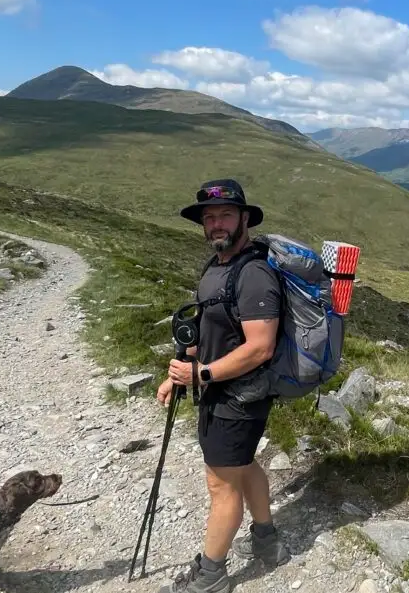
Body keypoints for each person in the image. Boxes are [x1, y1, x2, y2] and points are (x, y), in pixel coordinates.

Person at [157, 178, 291, 593]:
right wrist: (178, 372)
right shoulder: (216, 268)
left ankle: (211, 575)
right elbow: (207, 331)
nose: (216, 224)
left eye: (225, 215)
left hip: (242, 396)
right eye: (209, 217)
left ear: (245, 218)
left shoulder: (253, 274)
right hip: (221, 390)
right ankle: (267, 542)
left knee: (221, 483)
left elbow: (260, 348)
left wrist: (203, 375)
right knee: (243, 464)